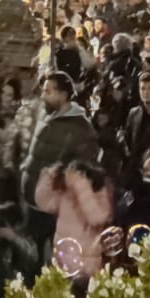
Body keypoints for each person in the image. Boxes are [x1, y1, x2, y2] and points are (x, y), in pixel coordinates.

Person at [19, 72, 99, 209]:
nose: (42, 96)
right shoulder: (45, 116)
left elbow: (84, 172)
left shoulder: (81, 129)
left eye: (47, 92)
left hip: (52, 208)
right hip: (30, 203)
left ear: (63, 95)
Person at [34, 160, 114, 281]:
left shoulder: (99, 193)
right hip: (63, 262)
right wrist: (49, 176)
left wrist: (81, 187)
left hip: (87, 266)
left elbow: (96, 218)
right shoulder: (65, 196)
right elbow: (42, 201)